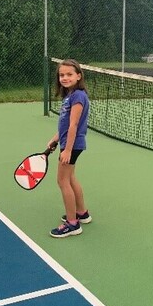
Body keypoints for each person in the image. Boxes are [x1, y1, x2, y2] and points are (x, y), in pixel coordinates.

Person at [47, 59, 91, 238]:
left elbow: (73, 125)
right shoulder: (70, 95)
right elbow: (64, 126)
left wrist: (67, 150)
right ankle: (82, 213)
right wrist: (55, 139)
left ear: (78, 76)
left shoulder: (78, 96)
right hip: (69, 143)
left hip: (72, 145)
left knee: (62, 181)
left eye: (69, 74)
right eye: (61, 75)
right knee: (70, 177)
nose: (64, 78)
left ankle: (73, 224)